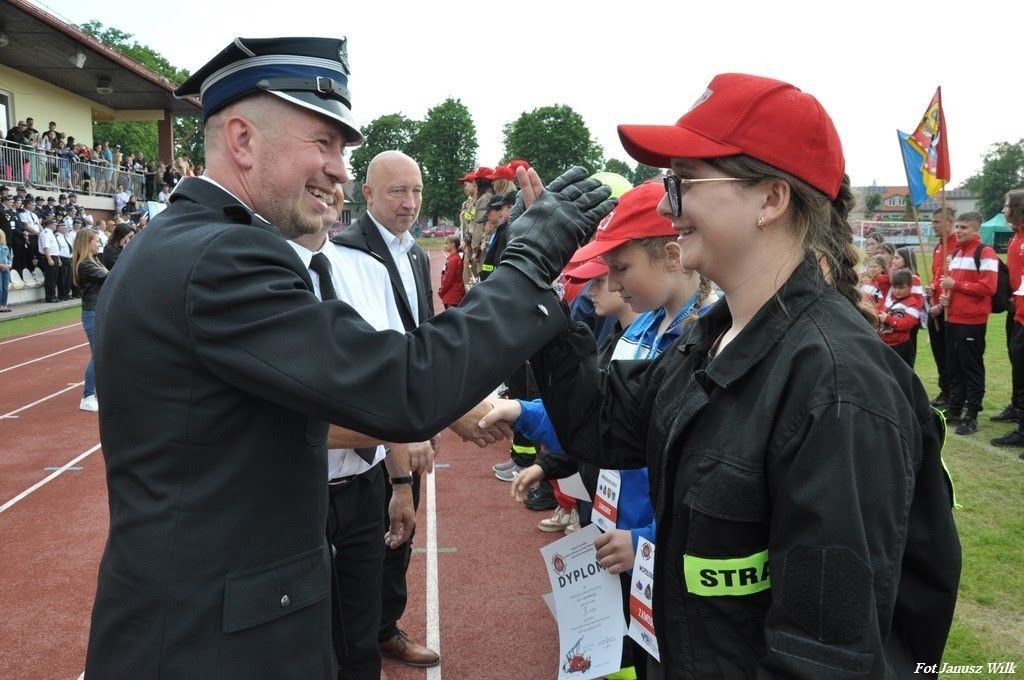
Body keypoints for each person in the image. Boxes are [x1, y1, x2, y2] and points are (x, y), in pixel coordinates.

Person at [84, 36, 614, 680]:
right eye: (323, 142)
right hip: (217, 645)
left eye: (342, 149)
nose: (339, 169)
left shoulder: (181, 241)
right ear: (243, 140)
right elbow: (405, 387)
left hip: (201, 626)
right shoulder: (223, 258)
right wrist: (528, 262)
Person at [517, 73, 960, 678]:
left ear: (771, 200)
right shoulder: (714, 340)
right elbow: (600, 422)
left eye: (686, 183)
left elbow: (824, 655)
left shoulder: (836, 384)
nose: (669, 205)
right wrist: (535, 284)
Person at [332, 150, 440, 669]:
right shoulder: (347, 254)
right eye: (397, 191)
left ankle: (383, 625)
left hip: (407, 418)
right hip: (365, 428)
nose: (410, 202)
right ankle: (361, 631)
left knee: (403, 525)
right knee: (366, 536)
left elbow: (423, 332)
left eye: (415, 191)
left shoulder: (416, 254)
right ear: (367, 195)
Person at [938, 211, 997, 435]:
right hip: (953, 317)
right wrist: (947, 297)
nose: (959, 231)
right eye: (958, 227)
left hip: (972, 321)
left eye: (964, 227)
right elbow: (953, 285)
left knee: (971, 368)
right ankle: (954, 408)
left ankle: (971, 415)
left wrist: (956, 286)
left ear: (976, 230)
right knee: (954, 366)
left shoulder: (986, 252)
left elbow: (988, 288)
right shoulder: (955, 252)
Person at [992, 188, 1024, 450]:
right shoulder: (1015, 237)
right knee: (1016, 363)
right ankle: (1016, 407)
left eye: (1006, 205)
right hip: (1016, 311)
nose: (1003, 209)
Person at [924, 206, 958, 406]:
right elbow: (937, 275)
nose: (933, 225)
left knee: (950, 355)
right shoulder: (938, 246)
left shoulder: (956, 246)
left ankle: (953, 394)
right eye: (933, 222)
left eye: (937, 222)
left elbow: (955, 277)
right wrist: (931, 288)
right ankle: (945, 391)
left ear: (950, 222)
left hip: (948, 310)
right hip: (935, 307)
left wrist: (943, 299)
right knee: (939, 352)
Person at [72, 228, 107, 411]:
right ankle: (87, 396)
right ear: (87, 243)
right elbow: (110, 277)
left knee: (104, 354)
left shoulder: (93, 261)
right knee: (98, 355)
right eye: (96, 241)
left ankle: (97, 393)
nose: (98, 244)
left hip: (99, 311)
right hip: (93, 313)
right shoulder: (85, 265)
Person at [437, 234, 466, 308]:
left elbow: (448, 279)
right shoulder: (455, 258)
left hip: (452, 296)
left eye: (446, 243)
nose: (444, 246)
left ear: (453, 244)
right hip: (454, 296)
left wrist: (441, 291)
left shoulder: (453, 260)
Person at [0, 228, 12, 312]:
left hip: (6, 269)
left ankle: (4, 305)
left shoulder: (6, 246)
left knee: (5, 288)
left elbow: (10, 257)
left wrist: (9, 265)